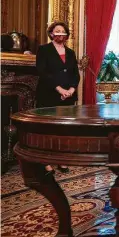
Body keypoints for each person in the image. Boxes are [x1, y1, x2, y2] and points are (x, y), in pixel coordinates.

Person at [36, 21, 80, 174]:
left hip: (68, 96)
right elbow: (42, 72)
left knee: (63, 130)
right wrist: (60, 89)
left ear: (66, 35)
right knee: (48, 129)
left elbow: (75, 74)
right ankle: (46, 162)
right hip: (48, 95)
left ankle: (61, 160)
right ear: (52, 34)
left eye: (63, 31)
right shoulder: (44, 49)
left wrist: (71, 90)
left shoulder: (71, 52)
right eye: (57, 31)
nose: (60, 33)